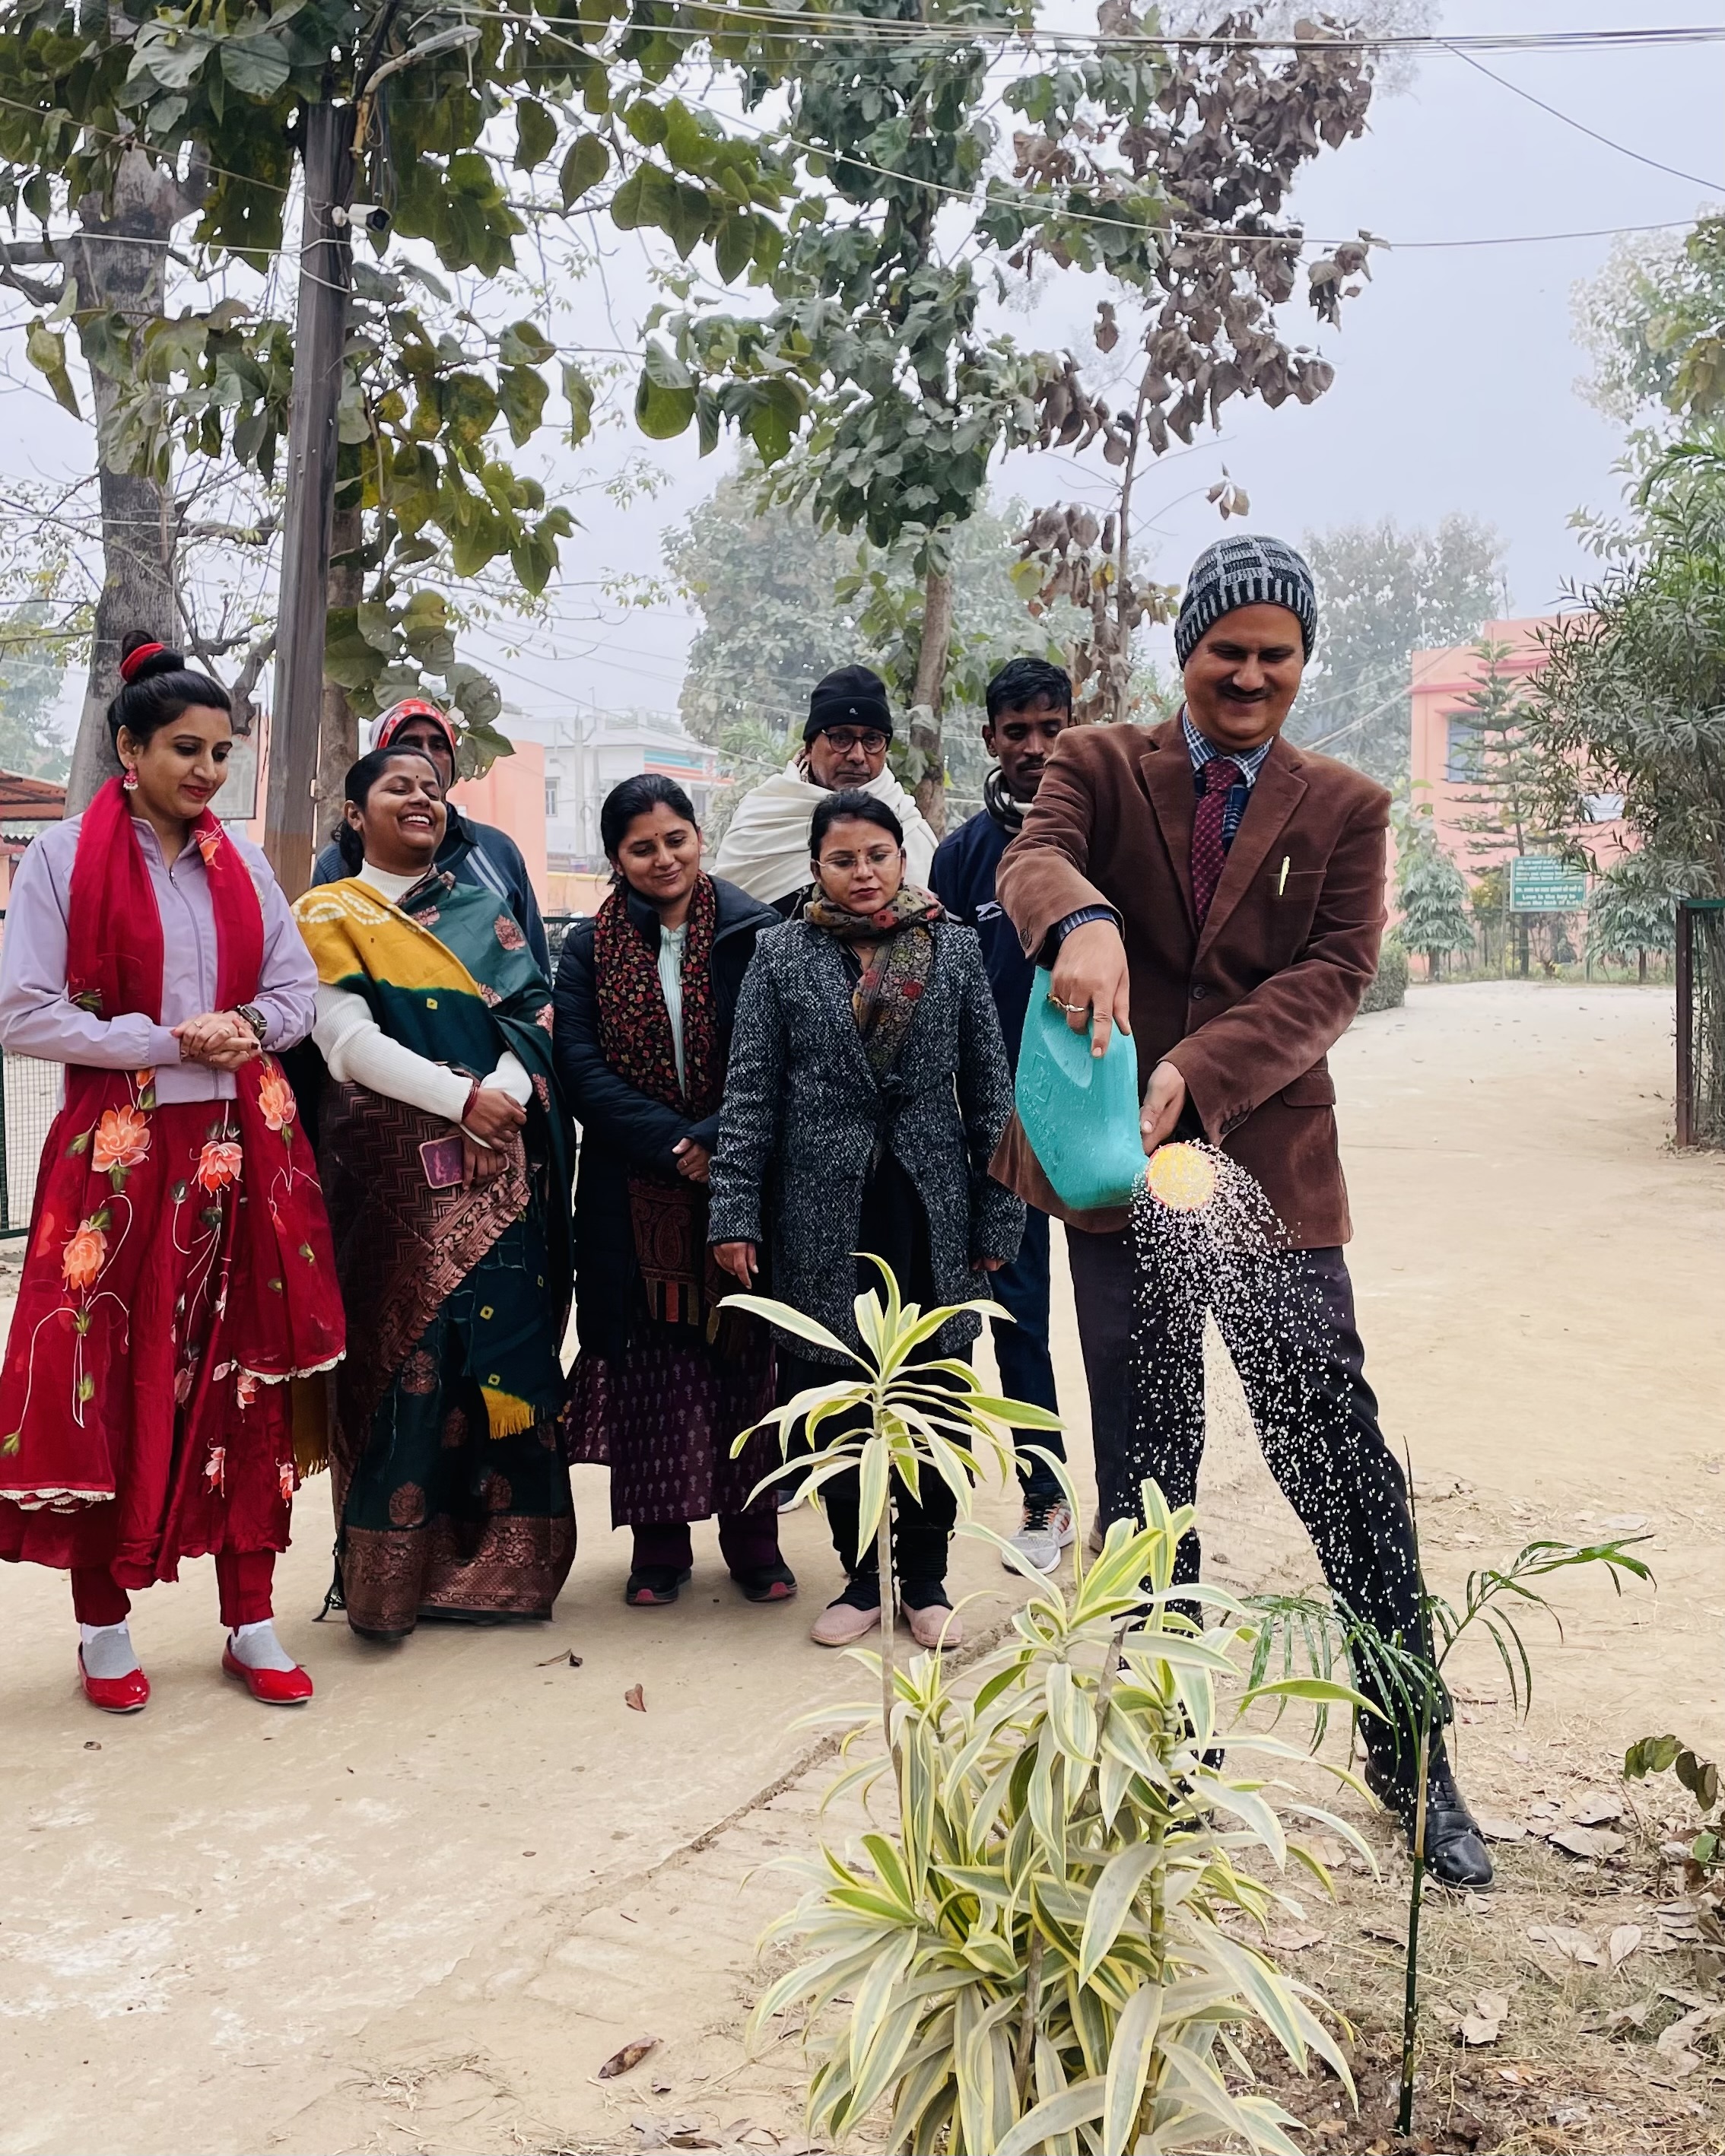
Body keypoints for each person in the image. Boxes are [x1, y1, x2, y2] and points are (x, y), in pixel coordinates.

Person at [993, 533, 1492, 1889]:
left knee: (1334, 1452)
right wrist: (1079, 920)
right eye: (1229, 652)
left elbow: (1334, 973)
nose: (1251, 676)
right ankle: (1165, 1757)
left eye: (1275, 656)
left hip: (1265, 1177)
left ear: (1300, 664)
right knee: (1147, 1475)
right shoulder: (1094, 766)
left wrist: (1194, 1071)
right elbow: (1028, 863)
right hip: (1112, 1182)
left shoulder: (1345, 807)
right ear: (1186, 654)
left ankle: (1414, 1752)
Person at [0, 633, 345, 1712]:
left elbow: (298, 992)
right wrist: (169, 1042)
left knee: (247, 1373)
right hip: (117, 1161)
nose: (206, 770)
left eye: (220, 752)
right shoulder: (60, 859)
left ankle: (250, 1614)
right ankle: (103, 1627)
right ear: (128, 747)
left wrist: (247, 1022)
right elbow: (24, 1010)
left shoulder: (240, 864)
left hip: (245, 1157)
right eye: (186, 749)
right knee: (102, 1371)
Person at [709, 790, 1023, 1649]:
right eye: (843, 859)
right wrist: (733, 1210)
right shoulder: (780, 955)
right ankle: (859, 1578)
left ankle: (925, 1580)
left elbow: (993, 1095)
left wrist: (1000, 1220)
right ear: (815, 866)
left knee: (935, 1398)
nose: (863, 873)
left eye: (878, 855)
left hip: (930, 1208)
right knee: (834, 1397)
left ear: (901, 858)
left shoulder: (952, 950)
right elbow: (749, 1094)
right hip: (818, 1208)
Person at [292, 747, 573, 1640]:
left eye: (434, 789)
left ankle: (505, 1575)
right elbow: (341, 1039)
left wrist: (507, 1097)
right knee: (406, 1368)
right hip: (393, 1192)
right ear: (353, 814)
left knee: (502, 1365)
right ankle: (390, 1583)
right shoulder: (326, 913)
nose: (423, 799)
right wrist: (462, 1099)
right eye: (398, 787)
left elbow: (531, 1020)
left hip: (499, 1168)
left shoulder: (485, 912)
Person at [556, 776, 793, 1606]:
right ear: (617, 858)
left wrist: (719, 1137)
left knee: (745, 1361)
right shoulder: (589, 949)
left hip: (743, 1174)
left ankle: (754, 1543)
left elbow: (785, 1054)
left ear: (701, 838)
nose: (664, 859)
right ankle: (659, 1549)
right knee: (652, 1364)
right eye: (643, 847)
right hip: (633, 1186)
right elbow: (578, 1066)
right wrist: (672, 1140)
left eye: (677, 840)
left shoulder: (759, 934)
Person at [930, 656, 1076, 1575]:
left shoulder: (1106, 836)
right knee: (1007, 1309)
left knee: (1118, 1311)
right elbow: (939, 988)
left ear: (1075, 726)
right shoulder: (958, 856)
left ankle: (1149, 1497)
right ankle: (1046, 1494)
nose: (1032, 747)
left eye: (1050, 728)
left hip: (1098, 1119)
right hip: (988, 1127)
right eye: (1014, 731)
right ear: (989, 740)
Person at [309, 697, 549, 976]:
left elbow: (534, 976)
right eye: (410, 744)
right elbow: (320, 976)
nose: (426, 755)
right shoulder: (337, 867)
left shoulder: (497, 853)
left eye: (438, 745)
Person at [713, 665, 937, 916]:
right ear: (809, 746)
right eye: (840, 738)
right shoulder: (763, 815)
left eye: (872, 740)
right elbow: (725, 916)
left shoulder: (907, 825)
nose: (857, 755)